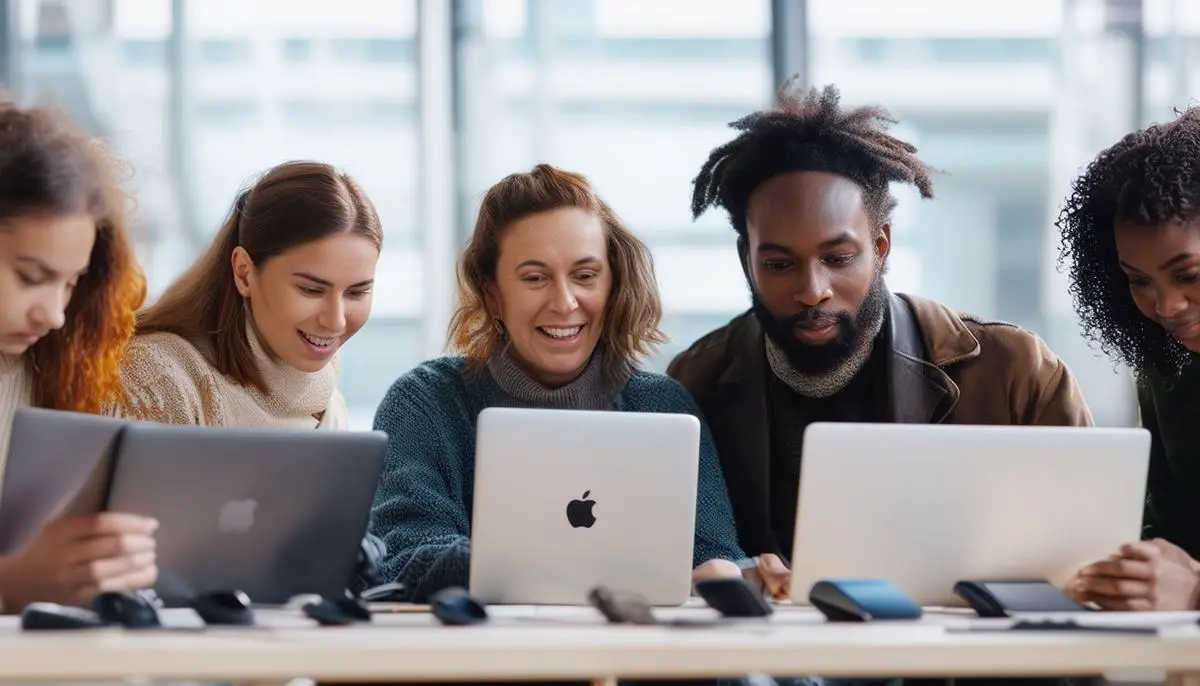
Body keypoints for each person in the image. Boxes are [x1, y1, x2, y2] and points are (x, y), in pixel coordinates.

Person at [667, 78, 1094, 603]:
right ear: (746, 262)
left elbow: (1086, 564)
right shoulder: (696, 383)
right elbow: (678, 568)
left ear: (881, 245)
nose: (811, 290)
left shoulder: (1014, 372)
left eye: (838, 258)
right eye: (779, 265)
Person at [370, 163, 747, 604]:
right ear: (493, 293)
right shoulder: (426, 402)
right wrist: (579, 564)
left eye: (585, 276)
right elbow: (403, 558)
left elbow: (714, 554)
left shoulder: (663, 405)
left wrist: (725, 571)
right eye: (534, 278)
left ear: (613, 284)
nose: (565, 302)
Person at [112, 160, 387, 590]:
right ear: (244, 273)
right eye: (311, 289)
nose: (335, 320)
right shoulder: (159, 378)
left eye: (357, 292)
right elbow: (122, 569)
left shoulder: (326, 396)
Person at [0, 99, 158, 611]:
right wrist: (12, 582)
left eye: (70, 284)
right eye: (31, 277)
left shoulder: (45, 366)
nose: (54, 315)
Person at [1057, 106, 1200, 611]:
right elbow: (1168, 533)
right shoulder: (1171, 371)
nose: (1166, 306)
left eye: (1188, 275)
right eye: (1139, 281)